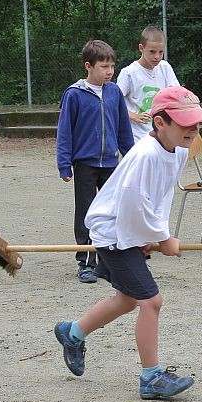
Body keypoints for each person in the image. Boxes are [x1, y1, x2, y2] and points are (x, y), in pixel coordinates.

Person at [53, 85, 202, 400]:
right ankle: (151, 377)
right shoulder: (146, 154)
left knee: (126, 299)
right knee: (151, 301)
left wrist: (154, 235)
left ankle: (72, 333)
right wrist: (160, 238)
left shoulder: (178, 150)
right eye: (184, 122)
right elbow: (131, 203)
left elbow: (160, 197)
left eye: (195, 122)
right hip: (113, 232)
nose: (192, 129)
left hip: (128, 230)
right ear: (160, 123)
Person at [56, 39, 134, 283]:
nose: (110, 71)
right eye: (104, 66)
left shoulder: (114, 92)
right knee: (87, 213)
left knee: (113, 211)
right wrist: (64, 163)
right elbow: (65, 131)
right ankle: (86, 262)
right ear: (88, 66)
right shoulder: (74, 94)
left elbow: (123, 128)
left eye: (112, 66)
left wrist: (131, 157)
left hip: (111, 164)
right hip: (85, 165)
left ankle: (109, 261)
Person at [116, 26, 180, 143]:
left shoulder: (165, 68)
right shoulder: (129, 73)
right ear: (141, 48)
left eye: (161, 52)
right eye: (152, 51)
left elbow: (176, 95)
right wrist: (133, 115)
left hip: (162, 133)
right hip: (136, 136)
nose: (157, 56)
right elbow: (114, 103)